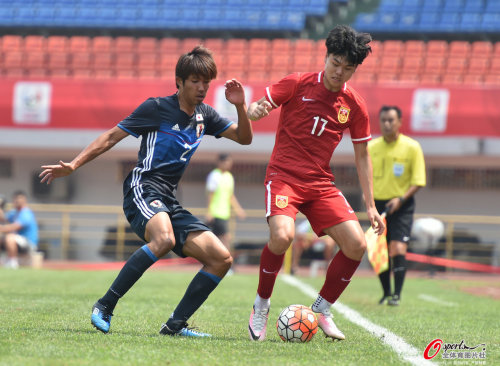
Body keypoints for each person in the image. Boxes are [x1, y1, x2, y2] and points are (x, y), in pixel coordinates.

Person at [39, 46, 253, 337]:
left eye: (206, 82)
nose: (202, 87)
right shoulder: (156, 108)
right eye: (195, 81)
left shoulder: (206, 115)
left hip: (168, 199)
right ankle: (105, 305)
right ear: (179, 81)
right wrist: (74, 165)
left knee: (221, 258)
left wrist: (240, 106)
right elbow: (111, 136)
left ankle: (175, 326)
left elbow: (244, 138)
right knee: (163, 238)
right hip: (142, 187)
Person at [246, 25, 385, 341]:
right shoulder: (297, 83)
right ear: (326, 57)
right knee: (282, 237)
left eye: (348, 68)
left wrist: (371, 205)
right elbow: (256, 108)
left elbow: (363, 156)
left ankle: (322, 308)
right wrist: (254, 110)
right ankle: (261, 305)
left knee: (357, 245)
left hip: (320, 184)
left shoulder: (354, 105)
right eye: (336, 63)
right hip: (284, 178)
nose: (339, 72)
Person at [368, 105, 426, 306]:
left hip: (402, 204)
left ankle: (397, 295)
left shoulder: (412, 147)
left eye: (391, 120)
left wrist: (400, 199)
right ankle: (386, 292)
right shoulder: (371, 147)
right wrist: (370, 204)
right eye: (383, 120)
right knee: (379, 250)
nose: (386, 124)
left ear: (400, 122)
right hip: (377, 205)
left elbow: (418, 180)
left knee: (397, 247)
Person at [205, 153, 246, 264]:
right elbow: (211, 194)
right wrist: (209, 211)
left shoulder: (229, 176)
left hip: (225, 213)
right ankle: (227, 263)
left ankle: (217, 262)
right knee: (225, 238)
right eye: (226, 162)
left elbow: (230, 195)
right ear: (219, 162)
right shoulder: (214, 175)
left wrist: (238, 209)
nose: (228, 165)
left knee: (217, 240)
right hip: (216, 213)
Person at [0, 191, 39, 269]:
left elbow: (14, 227)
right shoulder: (14, 212)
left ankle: (12, 263)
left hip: (29, 244)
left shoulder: (26, 213)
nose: (17, 200)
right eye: (15, 198)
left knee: (10, 236)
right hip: (17, 242)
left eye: (19, 198)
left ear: (25, 200)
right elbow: (3, 218)